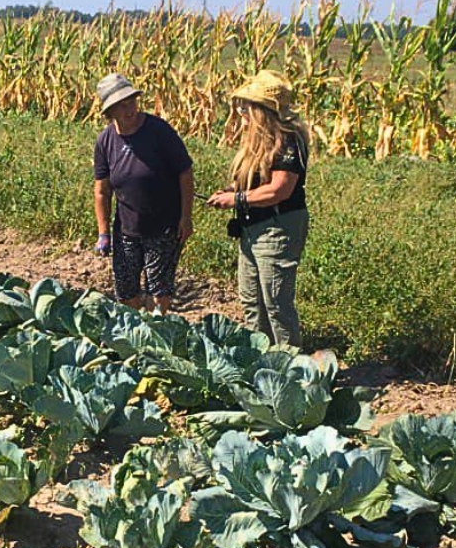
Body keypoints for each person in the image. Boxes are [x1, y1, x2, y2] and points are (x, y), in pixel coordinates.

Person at [206, 70, 310, 347]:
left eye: (246, 106)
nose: (241, 112)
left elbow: (280, 189)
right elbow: (254, 181)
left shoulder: (289, 142)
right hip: (252, 228)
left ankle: (291, 364)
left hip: (277, 228)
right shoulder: (257, 141)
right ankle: (261, 357)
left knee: (275, 301)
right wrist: (231, 191)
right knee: (252, 299)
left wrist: (237, 200)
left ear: (263, 110)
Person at [93, 73, 194, 312]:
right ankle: (134, 341)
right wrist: (103, 232)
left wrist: (185, 216)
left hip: (163, 227)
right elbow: (102, 190)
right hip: (126, 229)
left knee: (158, 295)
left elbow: (185, 173)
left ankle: (153, 342)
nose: (128, 109)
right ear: (111, 111)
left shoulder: (159, 131)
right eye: (121, 105)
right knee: (127, 294)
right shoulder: (106, 141)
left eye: (131, 102)